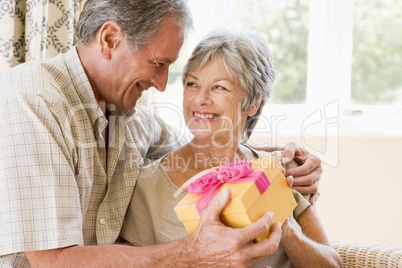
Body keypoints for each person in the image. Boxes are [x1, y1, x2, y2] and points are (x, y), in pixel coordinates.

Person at [0, 0, 321, 267]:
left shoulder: (133, 118)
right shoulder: (33, 100)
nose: (162, 83)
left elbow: (204, 147)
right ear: (110, 39)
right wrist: (193, 253)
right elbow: (52, 261)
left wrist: (280, 156)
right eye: (158, 63)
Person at [120, 28, 342, 267]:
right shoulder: (147, 186)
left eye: (219, 87)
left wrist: (283, 225)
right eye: (192, 84)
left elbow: (332, 264)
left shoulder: (287, 170)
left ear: (253, 103)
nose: (200, 99)